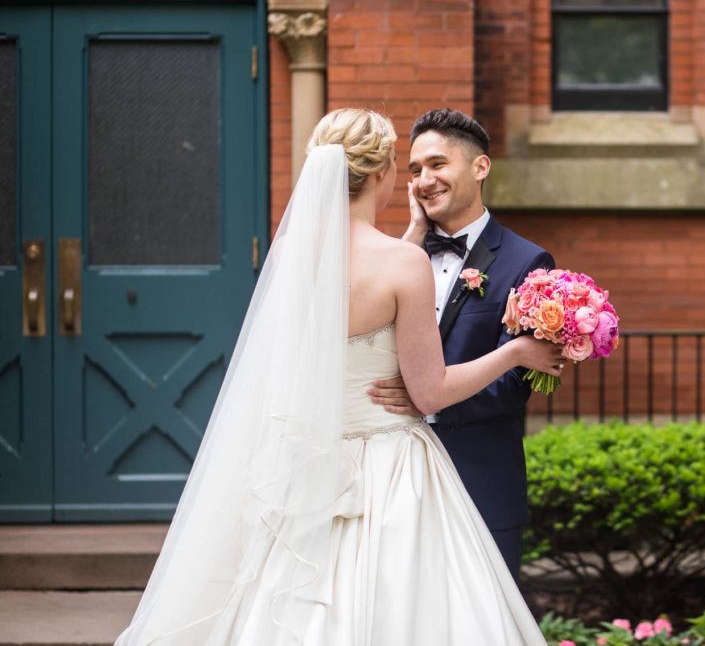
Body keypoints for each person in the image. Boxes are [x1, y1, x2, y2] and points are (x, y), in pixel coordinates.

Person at [114, 109, 558, 645]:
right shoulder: (402, 263)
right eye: (403, 165)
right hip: (394, 472)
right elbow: (430, 391)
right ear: (378, 175)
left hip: (312, 467)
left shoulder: (297, 263)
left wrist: (413, 235)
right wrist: (515, 353)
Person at [368, 109, 555, 578]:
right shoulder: (395, 258)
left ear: (480, 167)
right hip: (389, 482)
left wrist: (426, 401)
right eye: (414, 171)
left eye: (437, 165)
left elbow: (515, 382)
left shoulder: (527, 260)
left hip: (479, 481)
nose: (424, 180)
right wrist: (411, 237)